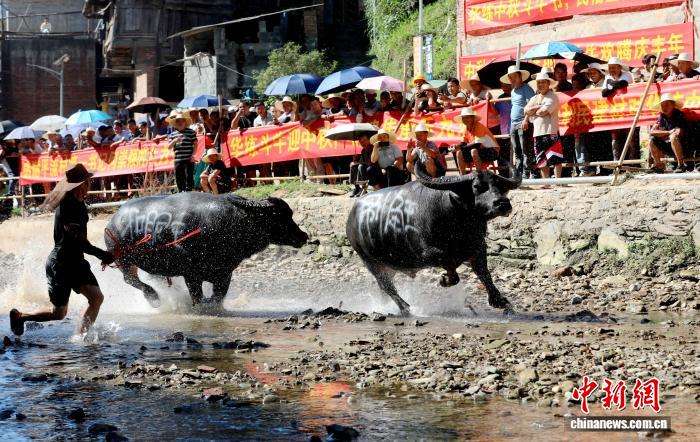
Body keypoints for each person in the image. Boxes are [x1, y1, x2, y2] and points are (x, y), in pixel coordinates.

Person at [9, 164, 114, 337]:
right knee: (63, 312)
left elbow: (81, 240)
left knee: (89, 301)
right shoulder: (68, 205)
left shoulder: (79, 204)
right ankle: (23, 318)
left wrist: (103, 255)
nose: (89, 185)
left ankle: (79, 337)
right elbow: (79, 241)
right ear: (81, 185)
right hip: (62, 264)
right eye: (87, 182)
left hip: (74, 261)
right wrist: (102, 254)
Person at [524, 72, 564, 179]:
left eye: (543, 82)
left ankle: (558, 181)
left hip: (551, 131)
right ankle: (546, 182)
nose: (540, 84)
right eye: (539, 82)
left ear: (548, 83)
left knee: (555, 159)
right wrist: (538, 107)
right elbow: (526, 111)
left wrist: (533, 110)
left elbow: (543, 112)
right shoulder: (535, 98)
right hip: (538, 132)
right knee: (541, 160)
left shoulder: (553, 96)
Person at [500, 65, 535, 177]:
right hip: (513, 123)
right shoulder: (513, 91)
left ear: (520, 77)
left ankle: (526, 172)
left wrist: (526, 120)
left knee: (525, 149)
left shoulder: (527, 89)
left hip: (523, 122)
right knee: (517, 150)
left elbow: (532, 105)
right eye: (510, 77)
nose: (512, 79)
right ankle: (520, 172)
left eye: (514, 76)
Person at [649, 94, 692, 173]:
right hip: (669, 146)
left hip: (684, 146)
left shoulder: (679, 115)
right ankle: (659, 165)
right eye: (662, 105)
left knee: (673, 137)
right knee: (652, 140)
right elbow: (652, 132)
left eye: (667, 105)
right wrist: (668, 132)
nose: (664, 107)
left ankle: (681, 164)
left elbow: (679, 132)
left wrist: (667, 134)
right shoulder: (662, 116)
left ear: (673, 105)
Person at [456, 107, 500, 173]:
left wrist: (462, 147)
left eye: (467, 117)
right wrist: (456, 146)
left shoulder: (479, 126)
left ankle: (479, 175)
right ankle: (462, 176)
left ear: (472, 118)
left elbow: (477, 144)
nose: (465, 120)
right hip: (480, 150)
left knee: (473, 151)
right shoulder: (465, 128)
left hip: (492, 151)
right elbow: (463, 142)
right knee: (459, 152)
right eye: (463, 118)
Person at [167, 113, 197, 192]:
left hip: (188, 158)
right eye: (178, 121)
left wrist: (193, 155)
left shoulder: (191, 132)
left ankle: (190, 191)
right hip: (178, 159)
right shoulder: (172, 134)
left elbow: (196, 144)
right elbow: (169, 147)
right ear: (175, 123)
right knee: (179, 177)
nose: (180, 123)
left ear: (185, 122)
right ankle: (181, 191)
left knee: (189, 176)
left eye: (182, 121)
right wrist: (175, 140)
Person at [348, 133, 377, 197]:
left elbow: (370, 162)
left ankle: (363, 188)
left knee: (360, 166)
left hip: (373, 167)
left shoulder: (372, 148)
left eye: (364, 140)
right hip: (365, 166)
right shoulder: (363, 150)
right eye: (361, 142)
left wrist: (358, 163)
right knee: (353, 166)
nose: (362, 143)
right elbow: (362, 161)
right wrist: (355, 160)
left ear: (369, 140)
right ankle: (357, 187)